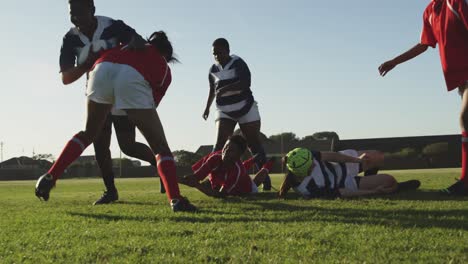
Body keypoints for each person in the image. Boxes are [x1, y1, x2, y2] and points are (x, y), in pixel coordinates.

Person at [35, 31, 197, 212]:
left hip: (101, 69)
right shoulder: (161, 62)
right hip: (131, 78)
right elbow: (151, 103)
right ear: (166, 54)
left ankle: (51, 175)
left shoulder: (124, 47)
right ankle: (176, 199)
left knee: (88, 133)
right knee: (160, 146)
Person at [59, 0, 166, 205]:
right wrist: (87, 65)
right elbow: (66, 78)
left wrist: (128, 50)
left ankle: (161, 168)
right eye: (72, 13)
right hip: (97, 93)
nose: (76, 18)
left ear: (92, 10)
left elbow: (139, 43)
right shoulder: (70, 38)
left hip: (121, 93)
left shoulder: (112, 25)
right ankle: (110, 191)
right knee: (100, 144)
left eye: (80, 12)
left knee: (128, 146)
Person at [378, 0, 468, 195]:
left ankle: (465, 181)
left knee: (465, 118)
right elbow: (424, 44)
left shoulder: (458, 3)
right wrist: (395, 61)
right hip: (460, 79)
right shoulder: (430, 10)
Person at [202, 38, 272, 191]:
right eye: (214, 54)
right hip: (224, 109)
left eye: (219, 53)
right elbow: (212, 89)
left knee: (253, 143)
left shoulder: (238, 62)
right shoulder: (212, 69)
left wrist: (226, 89)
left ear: (227, 50)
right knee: (219, 145)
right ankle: (212, 180)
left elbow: (246, 83)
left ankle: (265, 178)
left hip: (245, 106)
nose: (217, 56)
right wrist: (207, 107)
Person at [278, 148, 420, 199]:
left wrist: (357, 160)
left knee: (376, 156)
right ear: (304, 171)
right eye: (312, 164)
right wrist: (374, 192)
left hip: (340, 166)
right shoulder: (310, 189)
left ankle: (370, 179)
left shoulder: (302, 155)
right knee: (390, 181)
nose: (315, 163)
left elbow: (334, 156)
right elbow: (342, 192)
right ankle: (381, 186)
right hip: (343, 183)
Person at [178, 135, 275, 197]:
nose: (225, 152)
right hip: (219, 180)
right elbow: (196, 177)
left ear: (239, 155)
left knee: (254, 182)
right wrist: (172, 178)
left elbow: (221, 195)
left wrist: (197, 185)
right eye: (225, 148)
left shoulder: (238, 171)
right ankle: (254, 159)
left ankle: (267, 165)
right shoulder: (215, 157)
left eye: (231, 150)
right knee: (241, 167)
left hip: (246, 188)